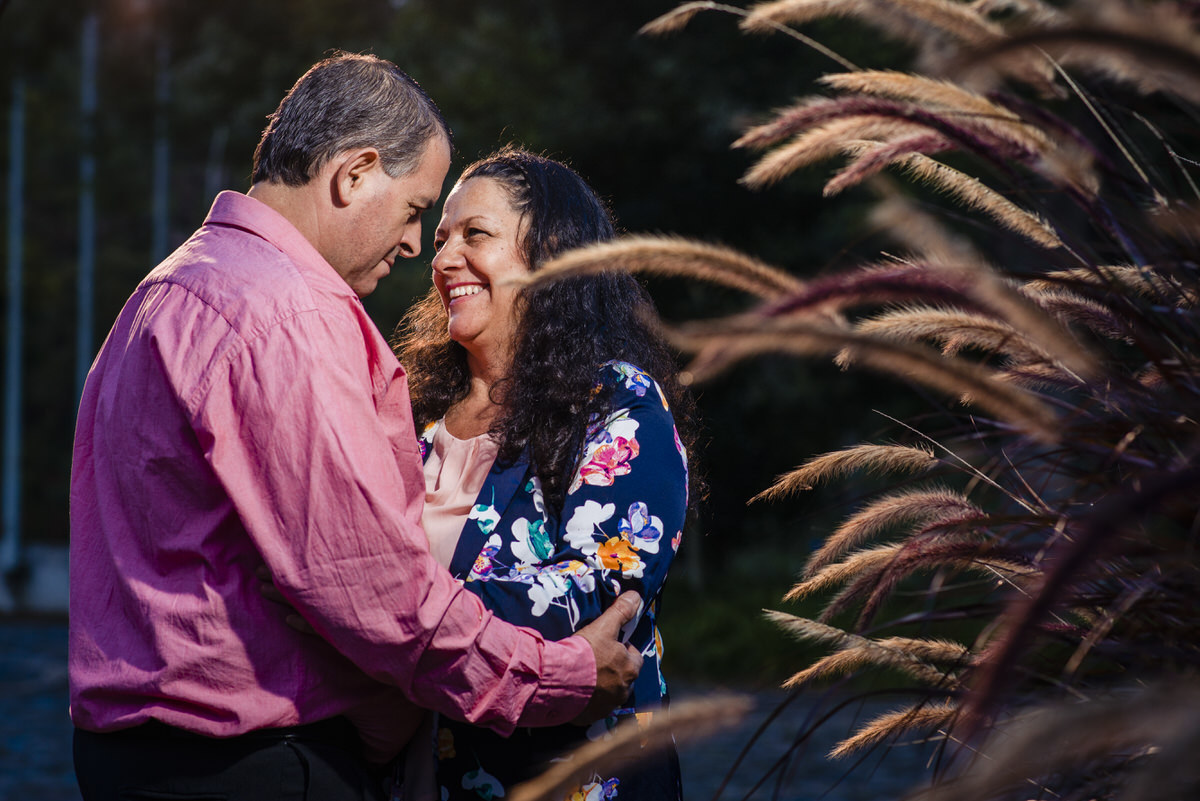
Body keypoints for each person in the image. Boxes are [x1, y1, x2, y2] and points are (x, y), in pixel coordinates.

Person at [68, 52, 642, 801]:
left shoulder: (168, 288)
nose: (416, 245)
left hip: (133, 757)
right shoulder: (289, 314)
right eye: (415, 210)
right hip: (249, 764)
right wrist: (554, 678)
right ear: (355, 174)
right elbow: (375, 592)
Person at [392, 147, 698, 801]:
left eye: (475, 234)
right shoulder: (408, 419)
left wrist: (379, 616)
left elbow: (586, 599)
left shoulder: (616, 406)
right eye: (441, 239)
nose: (444, 259)